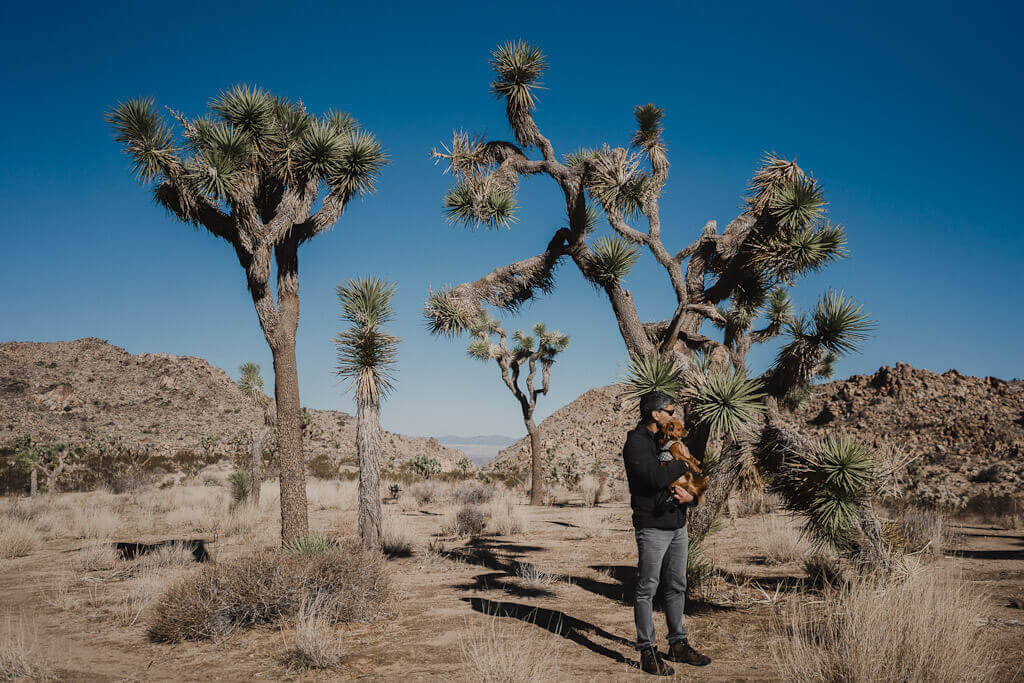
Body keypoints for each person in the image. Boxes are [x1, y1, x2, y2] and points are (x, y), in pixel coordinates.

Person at [622, 390, 712, 676]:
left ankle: (677, 643)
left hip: (677, 525)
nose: (675, 417)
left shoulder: (669, 442)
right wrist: (682, 460)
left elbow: (694, 481)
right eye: (671, 412)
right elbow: (656, 478)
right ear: (655, 414)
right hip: (652, 526)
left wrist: (693, 497)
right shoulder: (636, 443)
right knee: (647, 588)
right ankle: (647, 650)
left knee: (677, 585)